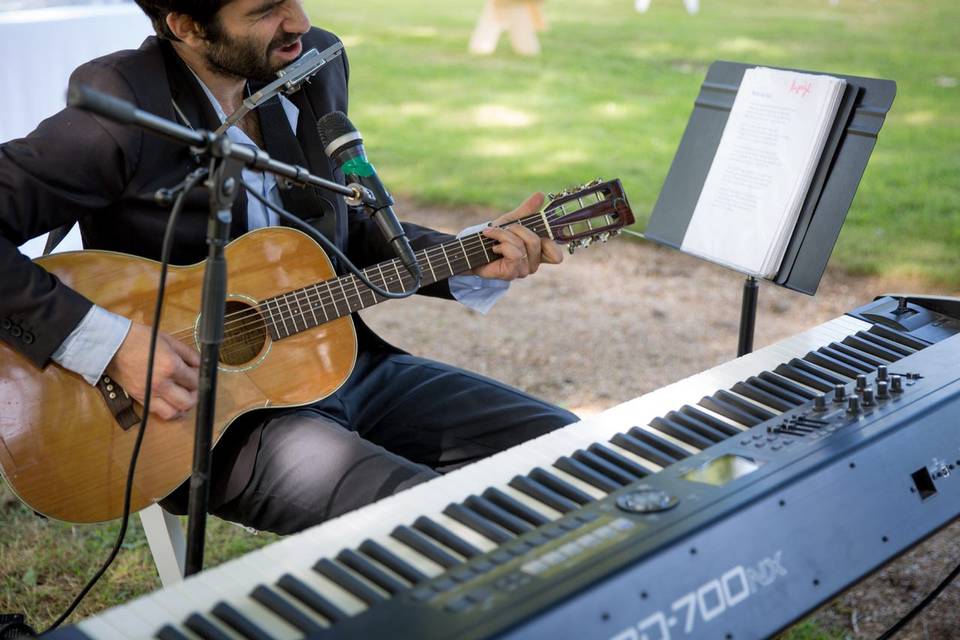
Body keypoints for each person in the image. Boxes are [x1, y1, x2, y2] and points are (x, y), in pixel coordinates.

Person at [0, 0, 577, 535]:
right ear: (186, 26)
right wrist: (110, 345)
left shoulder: (310, 65)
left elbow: (347, 231)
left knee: (576, 455)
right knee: (431, 521)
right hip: (205, 421)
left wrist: (475, 255)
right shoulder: (123, 107)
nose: (298, 20)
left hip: (340, 364)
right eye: (265, 9)